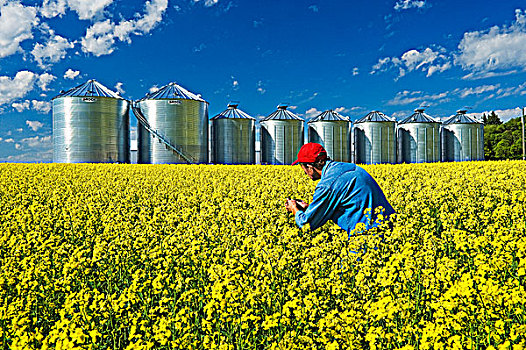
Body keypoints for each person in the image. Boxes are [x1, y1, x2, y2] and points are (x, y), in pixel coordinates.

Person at [285, 143, 395, 236]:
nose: (304, 172)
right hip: (391, 230)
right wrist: (309, 208)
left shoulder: (328, 184)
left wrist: (294, 208)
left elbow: (306, 224)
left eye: (302, 167)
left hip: (368, 238)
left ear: (309, 166)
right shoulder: (350, 167)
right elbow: (348, 203)